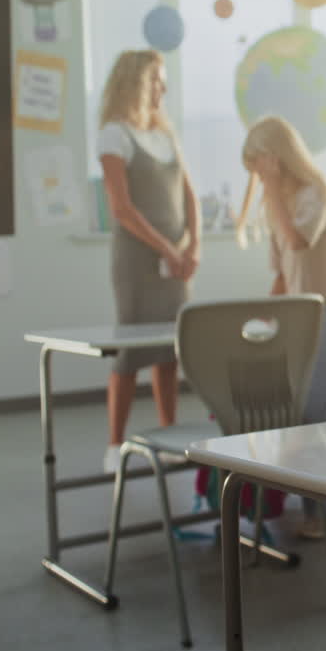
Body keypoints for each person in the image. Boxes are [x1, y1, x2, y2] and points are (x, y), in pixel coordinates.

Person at [240, 115, 326, 540]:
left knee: (317, 414)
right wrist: (263, 323)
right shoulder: (278, 202)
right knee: (303, 414)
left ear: (277, 160)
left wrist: (273, 189)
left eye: (260, 168)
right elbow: (282, 272)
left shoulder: (315, 194)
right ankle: (322, 506)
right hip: (298, 316)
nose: (257, 179)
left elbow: (296, 241)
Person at [97, 49, 201, 472]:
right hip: (138, 263)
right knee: (130, 351)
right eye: (157, 80)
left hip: (176, 262)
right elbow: (121, 208)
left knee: (167, 350)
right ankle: (114, 445)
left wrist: (192, 248)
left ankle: (168, 431)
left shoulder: (166, 136)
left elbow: (189, 195)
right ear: (136, 82)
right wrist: (167, 248)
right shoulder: (114, 135)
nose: (163, 88)